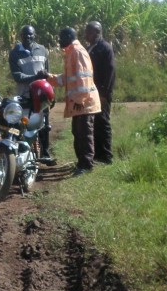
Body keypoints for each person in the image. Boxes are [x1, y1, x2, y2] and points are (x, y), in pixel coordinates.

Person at [48, 27, 101, 175]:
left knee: (84, 134)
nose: (59, 41)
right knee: (78, 133)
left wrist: (79, 99)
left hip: (84, 103)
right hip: (79, 103)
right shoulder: (71, 52)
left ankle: (86, 166)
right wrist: (49, 78)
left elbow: (84, 78)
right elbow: (68, 78)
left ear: (69, 37)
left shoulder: (77, 52)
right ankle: (81, 163)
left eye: (61, 38)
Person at [9, 24, 55, 164]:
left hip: (41, 95)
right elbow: (17, 76)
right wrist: (35, 77)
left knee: (44, 125)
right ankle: (19, 155)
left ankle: (45, 153)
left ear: (34, 35)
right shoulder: (15, 53)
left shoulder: (42, 50)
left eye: (30, 34)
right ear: (20, 36)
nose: (28, 37)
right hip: (25, 96)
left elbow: (46, 74)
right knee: (22, 125)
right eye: (25, 35)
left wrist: (51, 93)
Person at [84, 20, 115, 164]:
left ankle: (106, 155)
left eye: (89, 31)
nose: (86, 34)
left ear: (97, 32)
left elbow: (110, 73)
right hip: (92, 92)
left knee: (103, 122)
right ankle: (97, 154)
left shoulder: (105, 48)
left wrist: (104, 94)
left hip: (102, 93)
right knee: (94, 123)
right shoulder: (91, 47)